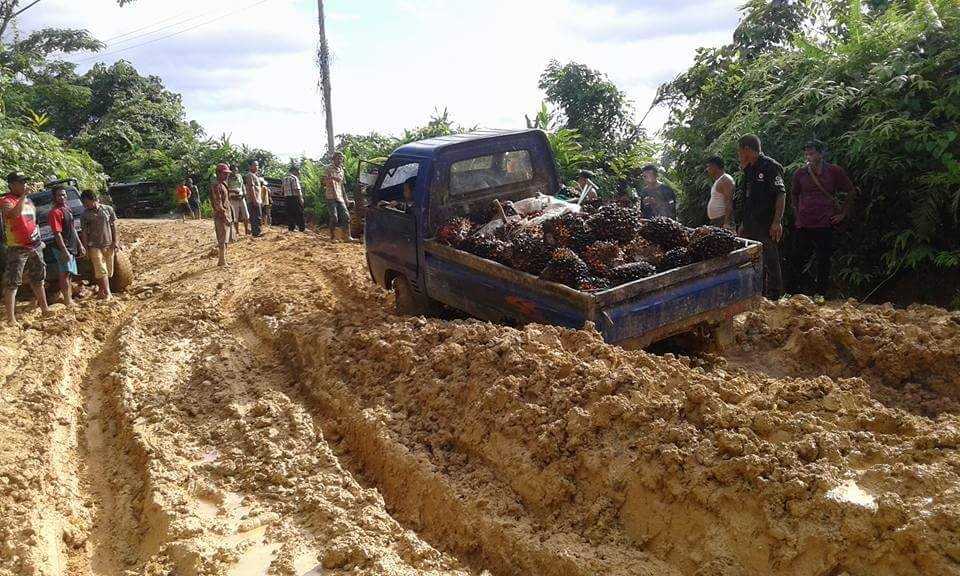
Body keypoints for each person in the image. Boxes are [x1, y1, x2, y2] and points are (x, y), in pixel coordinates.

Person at [791, 140, 856, 296]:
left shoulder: (834, 171)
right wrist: (797, 214)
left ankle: (820, 294)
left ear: (821, 154)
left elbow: (851, 191)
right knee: (798, 258)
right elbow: (794, 193)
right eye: (806, 153)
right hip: (804, 223)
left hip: (825, 222)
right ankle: (794, 293)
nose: (808, 156)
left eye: (812, 153)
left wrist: (843, 213)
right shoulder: (800, 173)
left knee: (823, 260)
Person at [736, 134, 786, 300]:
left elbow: (780, 194)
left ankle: (775, 297)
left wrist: (777, 222)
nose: (739, 155)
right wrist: (743, 222)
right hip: (751, 223)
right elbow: (747, 197)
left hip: (766, 223)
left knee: (771, 260)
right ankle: (759, 295)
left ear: (747, 150)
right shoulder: (749, 169)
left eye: (740, 152)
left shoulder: (770, 166)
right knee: (754, 262)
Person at [2, 172, 49, 325]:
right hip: (17, 248)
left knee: (38, 278)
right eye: (20, 183)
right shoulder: (6, 200)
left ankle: (45, 309)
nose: (24, 185)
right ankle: (11, 319)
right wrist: (23, 197)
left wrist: (39, 239)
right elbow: (13, 215)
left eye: (24, 182)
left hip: (34, 245)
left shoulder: (29, 201)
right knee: (13, 282)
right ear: (12, 185)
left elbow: (33, 221)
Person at [79, 190, 120, 301]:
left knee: (108, 271)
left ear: (94, 199)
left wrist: (115, 242)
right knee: (101, 270)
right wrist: (86, 249)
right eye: (83, 203)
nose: (85, 205)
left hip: (108, 244)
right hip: (94, 246)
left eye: (86, 202)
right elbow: (84, 233)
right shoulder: (84, 215)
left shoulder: (108, 209)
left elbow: (113, 226)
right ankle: (108, 293)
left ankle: (102, 291)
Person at [48, 186, 85, 307]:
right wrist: (64, 251)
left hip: (71, 245)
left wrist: (80, 245)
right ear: (54, 197)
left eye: (64, 195)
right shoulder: (55, 213)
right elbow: (57, 234)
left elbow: (73, 229)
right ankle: (68, 301)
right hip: (62, 247)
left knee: (69, 274)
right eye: (59, 195)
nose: (62, 197)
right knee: (64, 273)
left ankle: (69, 298)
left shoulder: (67, 208)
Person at [324, 152, 354, 241]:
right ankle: (333, 237)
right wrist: (332, 178)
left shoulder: (342, 170)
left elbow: (342, 185)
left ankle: (347, 236)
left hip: (339, 196)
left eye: (341, 158)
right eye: (337, 158)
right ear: (333, 159)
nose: (339, 160)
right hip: (330, 195)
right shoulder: (328, 168)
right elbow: (323, 181)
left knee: (346, 216)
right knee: (334, 217)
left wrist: (346, 199)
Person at [210, 163, 232, 267]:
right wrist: (225, 216)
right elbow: (218, 204)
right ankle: (222, 260)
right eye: (224, 173)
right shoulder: (216, 186)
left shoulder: (223, 184)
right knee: (222, 238)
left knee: (226, 238)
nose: (227, 175)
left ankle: (223, 260)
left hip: (225, 214)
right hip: (221, 215)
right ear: (218, 173)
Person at [706, 156, 735, 229]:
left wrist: (726, 223)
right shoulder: (718, 181)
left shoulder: (725, 180)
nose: (707, 169)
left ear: (715, 166)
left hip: (722, 220)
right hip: (716, 220)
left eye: (709, 166)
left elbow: (729, 202)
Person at [227, 164, 249, 237]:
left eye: (236, 170)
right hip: (233, 198)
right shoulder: (227, 178)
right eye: (234, 170)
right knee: (235, 216)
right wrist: (232, 193)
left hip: (241, 197)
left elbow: (242, 186)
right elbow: (226, 188)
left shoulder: (239, 176)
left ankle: (246, 230)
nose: (235, 171)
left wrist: (244, 193)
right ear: (230, 171)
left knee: (245, 214)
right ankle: (237, 232)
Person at [282, 166, 305, 232]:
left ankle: (291, 229)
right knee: (299, 213)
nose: (299, 173)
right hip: (294, 198)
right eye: (298, 172)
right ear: (295, 171)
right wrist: (301, 199)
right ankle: (302, 229)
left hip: (287, 198)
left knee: (290, 214)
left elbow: (282, 190)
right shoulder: (294, 178)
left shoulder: (284, 178)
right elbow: (297, 189)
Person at [243, 161, 263, 237]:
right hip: (253, 200)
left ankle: (257, 232)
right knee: (255, 217)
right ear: (250, 166)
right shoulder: (250, 175)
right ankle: (256, 233)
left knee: (258, 216)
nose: (256, 167)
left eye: (257, 165)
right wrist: (254, 200)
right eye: (255, 165)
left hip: (257, 199)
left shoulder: (255, 176)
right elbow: (251, 188)